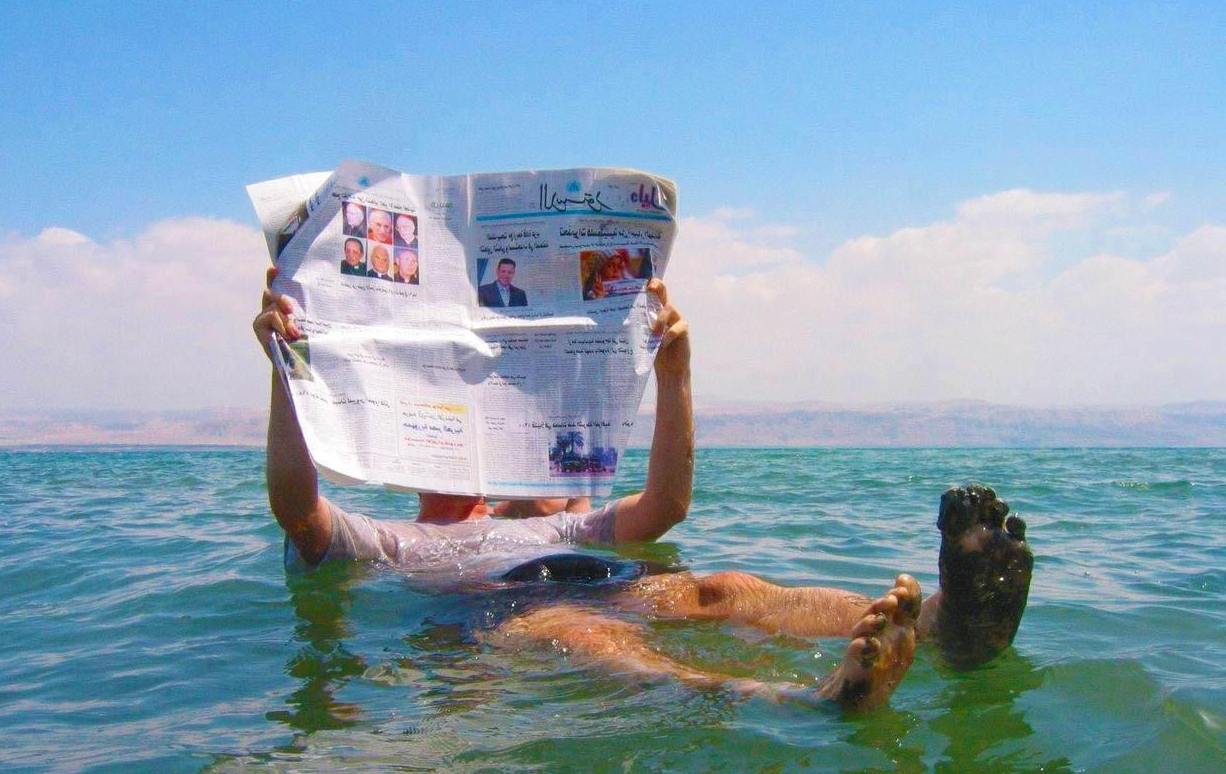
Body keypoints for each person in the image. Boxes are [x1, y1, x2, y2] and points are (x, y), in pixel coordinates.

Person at [254, 272, 1033, 709]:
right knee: (577, 630)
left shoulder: (555, 523)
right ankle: (801, 701)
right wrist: (285, 374)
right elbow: (298, 509)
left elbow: (665, 507)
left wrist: (675, 372)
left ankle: (947, 625)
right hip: (492, 611)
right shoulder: (392, 540)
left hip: (606, 578)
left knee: (721, 587)